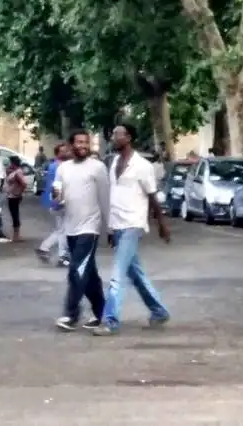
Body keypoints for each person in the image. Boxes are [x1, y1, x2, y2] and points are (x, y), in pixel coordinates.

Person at [92, 125, 171, 336]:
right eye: (113, 133)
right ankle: (159, 310)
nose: (113, 137)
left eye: (118, 134)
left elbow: (153, 196)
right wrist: (110, 228)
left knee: (117, 274)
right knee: (135, 273)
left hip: (133, 224)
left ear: (129, 138)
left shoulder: (143, 166)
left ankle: (110, 320)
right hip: (117, 224)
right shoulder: (114, 162)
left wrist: (161, 224)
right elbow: (114, 197)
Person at [53, 130, 110, 332]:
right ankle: (102, 311)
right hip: (71, 228)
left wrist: (108, 227)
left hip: (90, 228)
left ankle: (71, 314)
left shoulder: (98, 168)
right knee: (89, 274)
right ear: (70, 145)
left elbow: (105, 198)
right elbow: (58, 202)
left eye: (86, 142)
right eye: (78, 142)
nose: (83, 145)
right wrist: (56, 199)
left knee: (76, 270)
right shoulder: (63, 169)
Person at [37, 143, 70, 266]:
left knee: (62, 230)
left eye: (67, 150)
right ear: (57, 153)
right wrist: (58, 202)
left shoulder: (56, 166)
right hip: (59, 202)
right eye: (63, 151)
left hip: (57, 201)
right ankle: (49, 250)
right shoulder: (58, 167)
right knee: (64, 230)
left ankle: (61, 255)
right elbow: (56, 186)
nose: (66, 153)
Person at [5, 155, 26, 242]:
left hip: (14, 196)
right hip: (11, 196)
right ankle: (16, 235)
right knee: (14, 214)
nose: (9, 164)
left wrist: (19, 193)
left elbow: (24, 184)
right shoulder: (15, 171)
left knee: (15, 215)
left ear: (13, 163)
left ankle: (16, 236)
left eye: (11, 163)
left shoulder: (18, 172)